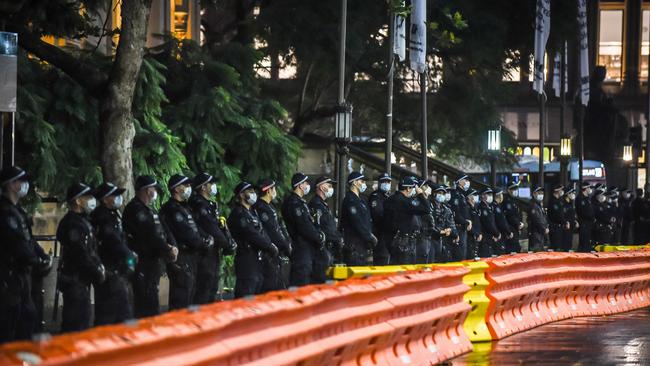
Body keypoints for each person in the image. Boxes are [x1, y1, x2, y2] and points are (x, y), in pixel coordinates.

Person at [0, 167, 51, 343]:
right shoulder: (5, 212)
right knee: (10, 330)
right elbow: (17, 245)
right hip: (9, 280)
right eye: (21, 181)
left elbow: (29, 240)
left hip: (22, 280)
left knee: (27, 323)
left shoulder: (17, 211)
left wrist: (42, 256)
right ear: (11, 185)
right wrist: (36, 261)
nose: (25, 185)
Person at [124, 175, 178, 318]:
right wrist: (168, 249)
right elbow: (151, 234)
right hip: (142, 263)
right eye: (154, 189)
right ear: (148, 190)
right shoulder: (136, 209)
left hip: (153, 262)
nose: (156, 192)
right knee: (146, 304)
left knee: (152, 302)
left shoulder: (150, 210)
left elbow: (165, 230)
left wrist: (173, 246)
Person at [56, 183, 105, 332]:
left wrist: (98, 265)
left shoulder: (83, 221)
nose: (92, 200)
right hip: (74, 280)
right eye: (87, 197)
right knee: (75, 325)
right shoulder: (72, 223)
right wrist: (96, 269)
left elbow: (90, 250)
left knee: (83, 320)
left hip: (82, 280)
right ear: (77, 201)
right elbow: (80, 253)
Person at [161, 174, 214, 310]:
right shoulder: (171, 209)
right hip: (181, 258)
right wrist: (203, 243)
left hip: (191, 258)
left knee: (190, 297)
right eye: (186, 185)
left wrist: (206, 238)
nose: (189, 188)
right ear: (177, 189)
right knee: (181, 301)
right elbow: (186, 233)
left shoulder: (185, 207)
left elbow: (196, 228)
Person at [90, 182, 136, 326]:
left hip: (116, 270)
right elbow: (113, 241)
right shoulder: (102, 216)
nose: (118, 198)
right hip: (109, 270)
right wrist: (129, 254)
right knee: (109, 313)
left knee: (120, 313)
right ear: (105, 199)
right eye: (114, 195)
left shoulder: (113, 214)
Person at [189, 173, 233, 304]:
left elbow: (217, 226)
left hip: (213, 252)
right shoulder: (199, 204)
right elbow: (210, 227)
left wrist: (228, 239)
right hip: (204, 254)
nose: (214, 186)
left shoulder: (210, 204)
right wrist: (226, 243)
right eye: (211, 183)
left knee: (212, 287)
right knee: (204, 290)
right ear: (203, 187)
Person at [228, 182, 277, 297]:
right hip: (246, 257)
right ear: (241, 195)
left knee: (257, 289)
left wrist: (269, 244)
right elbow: (251, 234)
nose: (253, 194)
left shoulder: (252, 212)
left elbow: (261, 231)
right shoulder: (239, 214)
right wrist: (269, 246)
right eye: (249, 192)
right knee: (246, 292)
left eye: (253, 191)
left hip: (256, 258)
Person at [282, 173, 325, 286]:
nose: (308, 185)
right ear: (300, 185)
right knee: (301, 281)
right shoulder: (294, 203)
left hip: (306, 248)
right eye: (306, 183)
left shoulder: (300, 202)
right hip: (300, 247)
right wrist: (318, 237)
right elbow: (304, 226)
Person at [254, 178, 292, 290]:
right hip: (268, 254)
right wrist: (286, 246)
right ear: (268, 191)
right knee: (271, 287)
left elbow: (279, 228)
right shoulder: (262, 208)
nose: (275, 191)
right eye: (274, 188)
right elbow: (273, 232)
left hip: (275, 254)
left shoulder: (269, 207)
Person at [384, 176, 430, 264]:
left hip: (390, 239)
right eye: (412, 188)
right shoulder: (406, 202)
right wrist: (420, 194)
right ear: (408, 188)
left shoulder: (389, 199)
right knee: (405, 269)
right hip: (403, 242)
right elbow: (426, 209)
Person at [308, 176, 341, 281]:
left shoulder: (323, 205)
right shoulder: (316, 205)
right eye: (329, 185)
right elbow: (319, 227)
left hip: (328, 249)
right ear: (322, 187)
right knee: (321, 281)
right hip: (321, 250)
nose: (331, 188)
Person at [340, 172, 376, 266]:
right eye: (362, 181)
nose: (364, 184)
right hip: (354, 246)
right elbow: (357, 221)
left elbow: (366, 220)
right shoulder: (350, 200)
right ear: (355, 183)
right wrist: (369, 236)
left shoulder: (361, 200)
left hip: (362, 245)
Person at [368, 173, 392, 265]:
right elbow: (378, 215)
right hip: (379, 233)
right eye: (384, 181)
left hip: (387, 235)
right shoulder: (376, 196)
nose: (386, 183)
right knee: (381, 259)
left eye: (388, 182)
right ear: (379, 183)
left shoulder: (388, 196)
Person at [449, 174, 473, 260]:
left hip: (463, 228)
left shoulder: (462, 195)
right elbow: (456, 214)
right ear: (459, 182)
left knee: (463, 254)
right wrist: (466, 222)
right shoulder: (456, 195)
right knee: (459, 256)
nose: (467, 182)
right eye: (465, 180)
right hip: (458, 228)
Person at [430, 184, 452, 262]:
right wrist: (440, 231)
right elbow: (430, 223)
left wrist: (449, 229)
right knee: (431, 260)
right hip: (431, 238)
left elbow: (449, 222)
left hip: (441, 238)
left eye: (443, 194)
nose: (442, 195)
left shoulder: (445, 208)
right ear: (434, 193)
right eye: (440, 193)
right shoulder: (430, 205)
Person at [502, 182, 524, 253]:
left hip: (515, 228)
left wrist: (519, 223)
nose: (515, 191)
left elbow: (517, 214)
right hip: (510, 229)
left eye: (516, 188)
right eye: (513, 189)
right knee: (512, 249)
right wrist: (518, 224)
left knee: (516, 249)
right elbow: (510, 216)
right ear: (508, 190)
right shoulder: (507, 201)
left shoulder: (515, 200)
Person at [478, 188, 500, 258]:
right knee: (485, 256)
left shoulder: (488, 207)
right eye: (488, 194)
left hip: (489, 237)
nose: (491, 196)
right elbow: (488, 223)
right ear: (482, 196)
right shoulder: (482, 208)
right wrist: (497, 233)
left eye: (491, 194)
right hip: (485, 237)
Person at [440, 185, 459, 262]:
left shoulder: (448, 207)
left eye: (449, 192)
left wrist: (455, 234)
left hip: (449, 237)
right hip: (442, 237)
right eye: (446, 192)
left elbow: (451, 223)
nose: (448, 194)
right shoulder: (441, 208)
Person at [547, 184, 569, 251]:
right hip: (554, 227)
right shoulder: (553, 201)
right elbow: (557, 215)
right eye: (561, 190)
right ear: (556, 191)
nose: (562, 191)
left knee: (559, 246)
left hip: (559, 227)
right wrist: (565, 222)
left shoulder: (558, 201)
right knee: (556, 247)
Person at [527, 187, 549, 252]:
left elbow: (543, 218)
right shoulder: (533, 205)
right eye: (539, 193)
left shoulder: (539, 204)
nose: (541, 195)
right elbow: (536, 219)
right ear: (534, 194)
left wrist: (546, 226)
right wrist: (544, 228)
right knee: (536, 252)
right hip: (535, 233)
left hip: (540, 234)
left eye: (542, 193)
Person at [576, 182, 595, 252]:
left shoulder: (587, 198)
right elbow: (582, 212)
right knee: (583, 242)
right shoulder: (580, 198)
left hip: (588, 223)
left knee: (587, 241)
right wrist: (591, 217)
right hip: (583, 223)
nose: (590, 189)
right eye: (589, 188)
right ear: (585, 188)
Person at [493, 188, 512, 255]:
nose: (502, 196)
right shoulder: (496, 207)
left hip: (498, 234)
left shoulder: (496, 206)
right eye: (501, 195)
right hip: (499, 235)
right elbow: (501, 222)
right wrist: (508, 232)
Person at [466, 189, 483, 259]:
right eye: (474, 195)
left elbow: (478, 223)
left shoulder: (475, 208)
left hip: (476, 237)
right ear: (469, 197)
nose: (476, 197)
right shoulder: (467, 208)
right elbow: (469, 225)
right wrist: (477, 234)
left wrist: (479, 233)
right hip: (470, 237)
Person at [561, 187, 578, 251]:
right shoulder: (563, 204)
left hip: (571, 226)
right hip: (565, 227)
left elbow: (571, 215)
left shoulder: (570, 203)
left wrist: (575, 221)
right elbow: (562, 216)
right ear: (568, 194)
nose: (573, 194)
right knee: (565, 245)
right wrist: (566, 222)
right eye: (572, 193)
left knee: (569, 243)